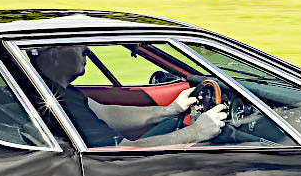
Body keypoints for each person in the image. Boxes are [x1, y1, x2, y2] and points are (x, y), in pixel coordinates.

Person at [30, 45, 230, 148]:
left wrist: (170, 110)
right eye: (78, 43)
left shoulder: (58, 91)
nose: (87, 50)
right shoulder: (56, 103)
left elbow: (105, 113)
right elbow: (124, 150)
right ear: (54, 53)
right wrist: (196, 132)